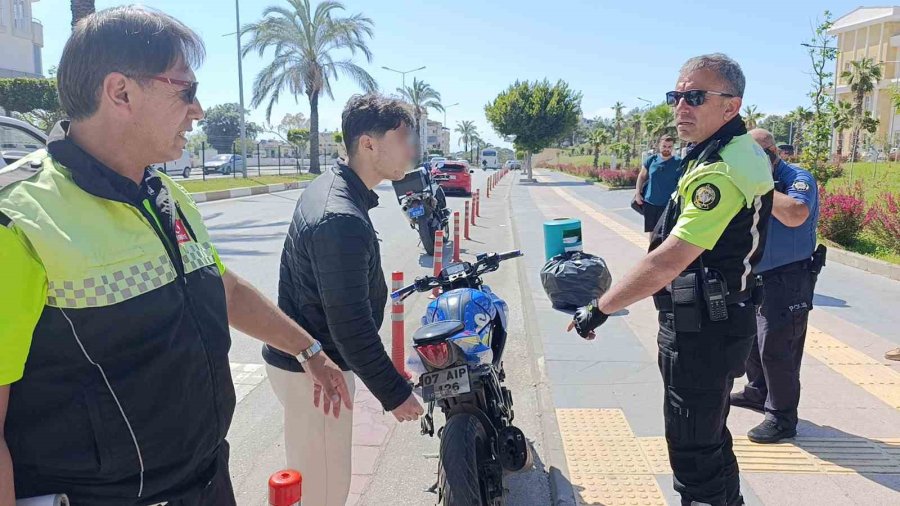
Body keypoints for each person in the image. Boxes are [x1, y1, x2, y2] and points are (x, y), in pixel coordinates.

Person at [0, 7, 354, 506]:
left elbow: (221, 286)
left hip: (207, 480)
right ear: (120, 92)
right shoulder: (19, 220)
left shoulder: (162, 191)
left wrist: (309, 350)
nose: (199, 110)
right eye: (184, 91)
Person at [567, 53, 774, 505]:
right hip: (710, 321)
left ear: (730, 106)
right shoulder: (724, 152)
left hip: (703, 330)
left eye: (695, 96)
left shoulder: (722, 168)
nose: (681, 106)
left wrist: (598, 309)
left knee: (694, 449)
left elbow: (669, 260)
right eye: (676, 96)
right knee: (709, 438)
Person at [267, 94, 424, 506]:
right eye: (403, 137)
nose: (412, 148)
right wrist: (395, 394)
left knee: (318, 478)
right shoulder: (340, 217)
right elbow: (350, 325)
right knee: (324, 490)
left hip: (314, 363)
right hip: (317, 374)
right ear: (370, 144)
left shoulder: (337, 190)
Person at [730, 129, 820, 443]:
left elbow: (796, 213)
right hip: (756, 275)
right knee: (753, 342)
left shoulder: (797, 178)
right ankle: (757, 392)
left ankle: (782, 418)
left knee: (778, 349)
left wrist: (760, 186)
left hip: (788, 278)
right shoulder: (753, 179)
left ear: (771, 153)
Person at [635, 135, 682, 237]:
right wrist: (637, 193)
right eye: (664, 146)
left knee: (666, 232)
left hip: (668, 204)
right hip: (650, 202)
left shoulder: (679, 162)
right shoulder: (651, 160)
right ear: (659, 146)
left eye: (669, 147)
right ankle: (651, 251)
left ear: (673, 147)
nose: (667, 149)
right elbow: (642, 176)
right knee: (652, 232)